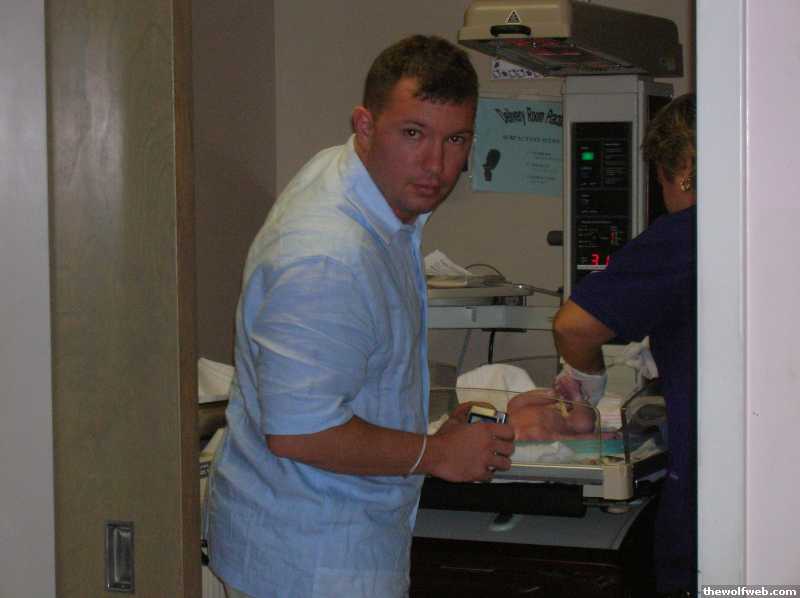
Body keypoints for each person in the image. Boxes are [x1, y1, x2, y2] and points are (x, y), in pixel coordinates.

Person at [204, 35, 515, 598]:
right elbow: (301, 433)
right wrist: (437, 454)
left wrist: (432, 435)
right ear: (365, 125)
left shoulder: (358, 183)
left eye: (456, 139)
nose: (437, 165)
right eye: (413, 133)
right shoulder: (329, 256)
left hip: (313, 538)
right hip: (310, 563)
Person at [551, 93, 697, 597]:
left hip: (716, 506)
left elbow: (574, 327)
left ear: (682, 169)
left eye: (661, 180)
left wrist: (585, 388)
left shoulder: (687, 233)